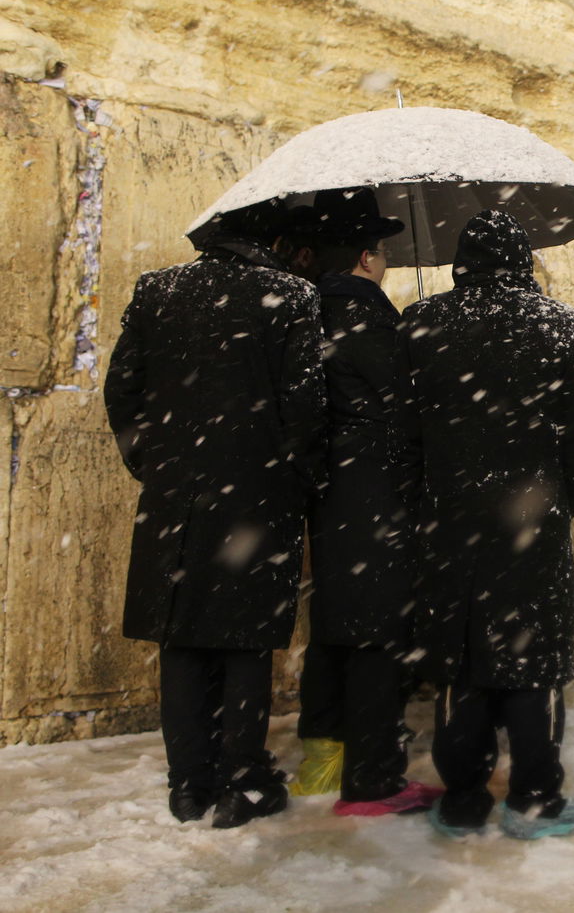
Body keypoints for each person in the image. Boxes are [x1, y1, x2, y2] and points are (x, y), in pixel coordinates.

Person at [104, 199, 327, 828]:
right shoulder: (291, 297)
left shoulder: (158, 290)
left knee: (182, 639)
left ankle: (187, 783)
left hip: (176, 497)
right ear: (268, 240)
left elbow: (122, 389)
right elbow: (304, 407)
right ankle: (241, 780)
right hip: (257, 498)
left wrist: (154, 462)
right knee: (243, 644)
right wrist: (299, 478)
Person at [399, 209, 574, 840]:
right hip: (530, 519)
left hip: (451, 520)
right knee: (533, 660)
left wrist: (425, 500)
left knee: (464, 659)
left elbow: (402, 431)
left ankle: (462, 796)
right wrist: (570, 492)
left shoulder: (421, 323)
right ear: (522, 259)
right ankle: (535, 797)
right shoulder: (559, 324)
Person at [290, 188, 443, 816]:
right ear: (366, 257)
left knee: (336, 624)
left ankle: (324, 757)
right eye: (382, 254)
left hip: (333, 493)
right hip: (375, 489)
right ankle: (374, 779)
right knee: (379, 631)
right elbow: (403, 408)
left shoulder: (305, 310)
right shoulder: (365, 316)